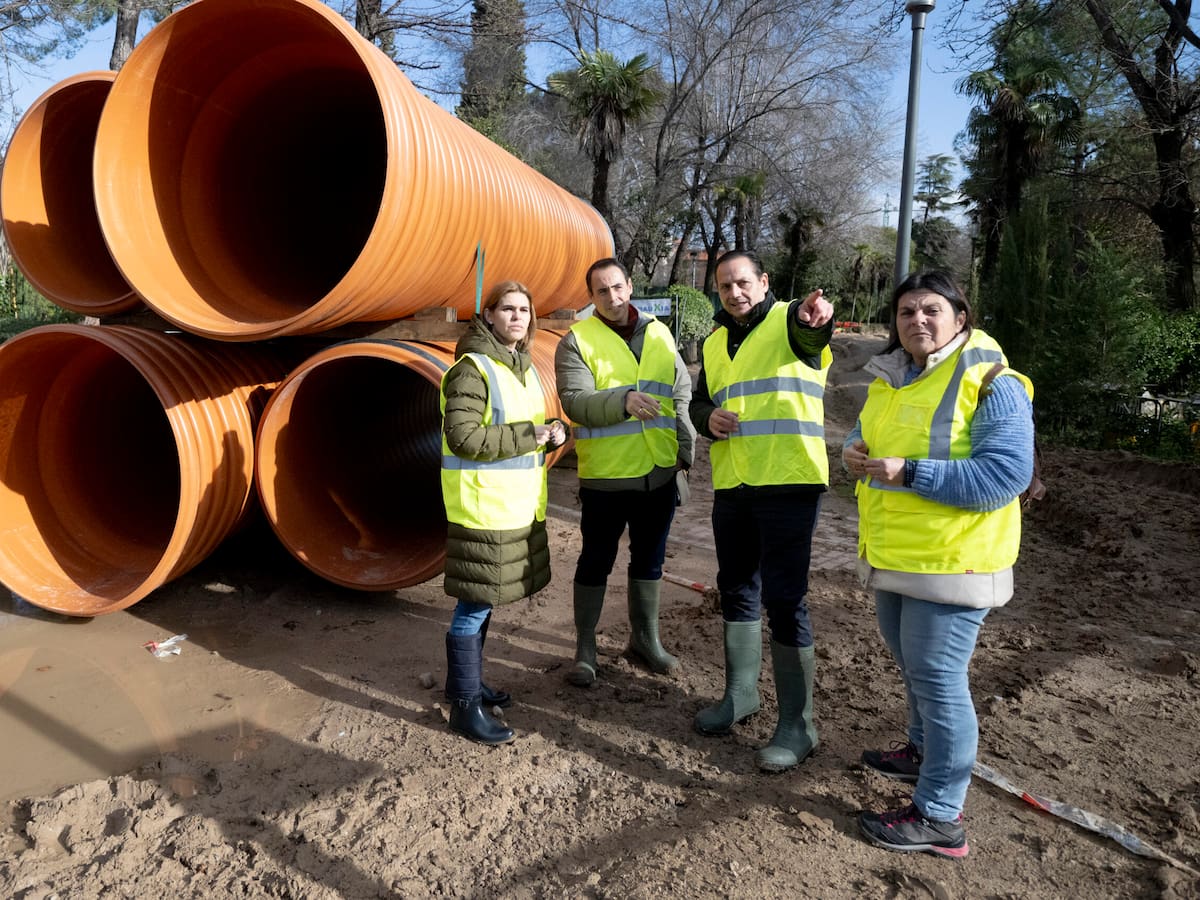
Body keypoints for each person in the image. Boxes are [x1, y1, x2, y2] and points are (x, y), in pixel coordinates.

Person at [844, 269, 1034, 859]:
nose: (917, 321)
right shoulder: (896, 375)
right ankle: (922, 752)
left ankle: (940, 816)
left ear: (960, 316)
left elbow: (1006, 476)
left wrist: (911, 472)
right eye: (905, 312)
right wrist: (854, 448)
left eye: (931, 310)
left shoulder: (991, 380)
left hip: (954, 562)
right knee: (915, 669)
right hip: (898, 554)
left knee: (941, 683)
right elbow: (869, 433)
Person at [689, 249, 834, 773]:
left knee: (785, 598)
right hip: (734, 484)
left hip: (790, 481)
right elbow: (698, 402)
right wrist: (708, 420)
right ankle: (740, 695)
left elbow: (813, 334)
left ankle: (799, 725)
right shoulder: (711, 342)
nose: (734, 293)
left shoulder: (790, 320)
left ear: (763, 281)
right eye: (725, 286)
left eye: (742, 282)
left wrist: (817, 318)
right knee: (736, 587)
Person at [554, 257, 695, 686]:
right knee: (596, 558)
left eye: (618, 287)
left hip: (659, 470)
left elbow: (680, 389)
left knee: (650, 558)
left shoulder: (658, 331)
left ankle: (645, 641)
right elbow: (575, 401)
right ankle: (585, 647)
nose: (612, 297)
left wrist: (684, 450)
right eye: (602, 291)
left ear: (630, 286)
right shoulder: (576, 341)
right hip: (607, 477)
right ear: (591, 297)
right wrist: (623, 401)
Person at [441, 280, 568, 744]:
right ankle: (464, 707)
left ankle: (468, 685)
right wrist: (530, 435)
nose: (518, 317)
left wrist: (557, 431)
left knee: (485, 596)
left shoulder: (523, 366)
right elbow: (465, 437)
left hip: (512, 505)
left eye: (524, 310)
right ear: (489, 315)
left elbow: (533, 422)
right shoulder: (473, 369)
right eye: (508, 309)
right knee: (473, 605)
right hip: (483, 507)